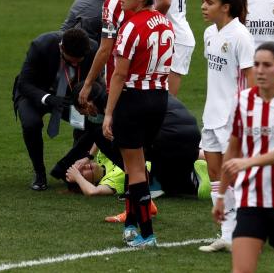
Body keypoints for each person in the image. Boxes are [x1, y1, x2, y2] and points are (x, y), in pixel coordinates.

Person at [215, 42, 274, 273]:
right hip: (251, 201)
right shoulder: (242, 100)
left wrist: (248, 163)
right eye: (256, 64)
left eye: (267, 65)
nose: (259, 70)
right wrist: (221, 195)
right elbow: (233, 149)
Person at [102, 0, 174, 248]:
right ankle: (132, 225)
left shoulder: (131, 26)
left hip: (133, 99)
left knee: (134, 169)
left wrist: (108, 112)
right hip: (159, 98)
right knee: (139, 163)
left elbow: (119, 75)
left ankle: (147, 233)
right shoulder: (164, 23)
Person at [58, 81, 206, 199]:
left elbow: (94, 191)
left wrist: (78, 176)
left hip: (170, 137)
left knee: (128, 142)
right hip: (189, 133)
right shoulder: (120, 89)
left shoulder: (114, 107)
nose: (86, 116)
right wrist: (89, 156)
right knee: (174, 184)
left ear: (88, 104)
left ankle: (140, 181)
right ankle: (204, 162)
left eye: (82, 112)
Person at [198, 0, 255, 253]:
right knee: (215, 175)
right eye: (203, 1)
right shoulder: (210, 34)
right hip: (212, 116)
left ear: (226, 6)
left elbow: (252, 83)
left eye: (209, 2)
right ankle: (227, 234)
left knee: (237, 177)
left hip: (234, 118)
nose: (203, 7)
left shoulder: (241, 36)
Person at [13, 29, 98, 191]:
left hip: (69, 97)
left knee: (92, 124)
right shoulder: (40, 45)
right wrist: (48, 98)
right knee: (31, 124)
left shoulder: (92, 50)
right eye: (71, 61)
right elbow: (24, 83)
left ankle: (68, 168)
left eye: (79, 61)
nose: (75, 64)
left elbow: (96, 80)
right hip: (35, 93)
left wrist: (90, 102)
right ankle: (39, 173)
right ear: (61, 49)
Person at [76, 0, 134, 106]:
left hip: (119, 76)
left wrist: (88, 83)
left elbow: (104, 49)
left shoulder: (113, 1)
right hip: (147, 81)